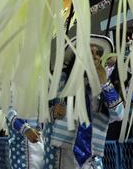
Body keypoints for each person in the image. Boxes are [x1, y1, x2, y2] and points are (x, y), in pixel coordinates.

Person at [43, 35, 123, 169]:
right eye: (89, 52)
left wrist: (104, 83)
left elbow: (119, 115)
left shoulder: (103, 84)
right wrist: (53, 112)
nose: (95, 57)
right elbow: (41, 114)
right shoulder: (60, 80)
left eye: (97, 53)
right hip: (62, 155)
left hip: (92, 158)